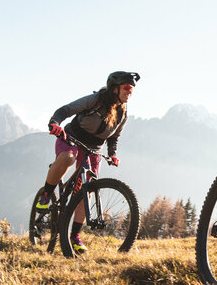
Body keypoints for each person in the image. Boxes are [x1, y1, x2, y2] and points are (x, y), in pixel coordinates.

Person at [35, 71, 139, 254]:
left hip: (94, 148)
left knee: (88, 188)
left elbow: (114, 136)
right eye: (126, 87)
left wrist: (112, 154)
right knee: (68, 158)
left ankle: (74, 237)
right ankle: (46, 194)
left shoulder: (123, 112)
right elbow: (65, 110)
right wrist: (55, 123)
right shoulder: (95, 100)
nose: (129, 92)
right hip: (71, 138)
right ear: (114, 88)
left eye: (132, 89)